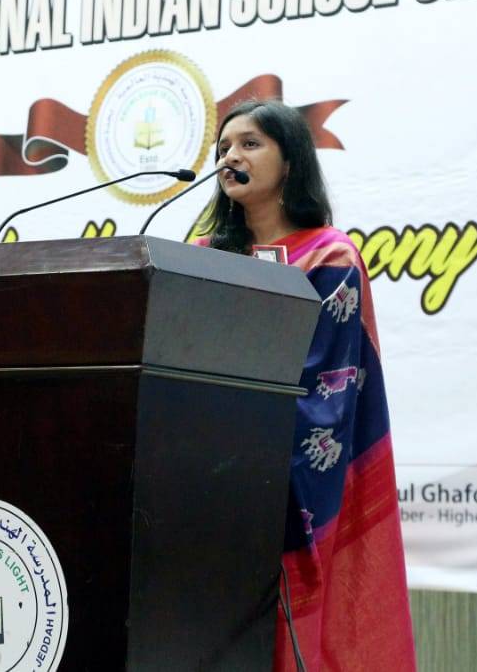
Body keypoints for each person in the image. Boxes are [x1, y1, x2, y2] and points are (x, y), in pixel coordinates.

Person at [196, 99, 417, 672]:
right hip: (196, 488)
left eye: (249, 144)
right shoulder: (199, 257)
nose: (230, 157)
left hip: (277, 483)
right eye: (223, 148)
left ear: (289, 160)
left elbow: (326, 385)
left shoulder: (329, 256)